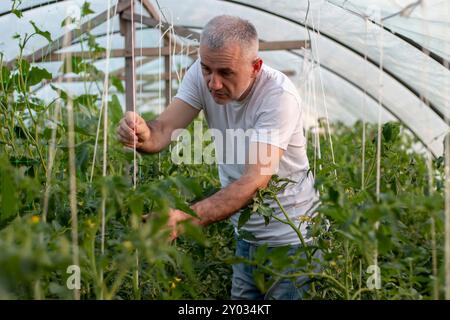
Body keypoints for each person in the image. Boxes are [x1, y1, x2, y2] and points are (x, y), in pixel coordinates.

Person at [117, 15, 319, 300]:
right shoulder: (201, 77)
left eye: (226, 72)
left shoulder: (278, 96)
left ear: (255, 67)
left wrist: (183, 219)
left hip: (291, 241)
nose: (213, 83)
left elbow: (254, 181)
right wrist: (140, 132)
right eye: (206, 69)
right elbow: (162, 130)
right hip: (246, 237)